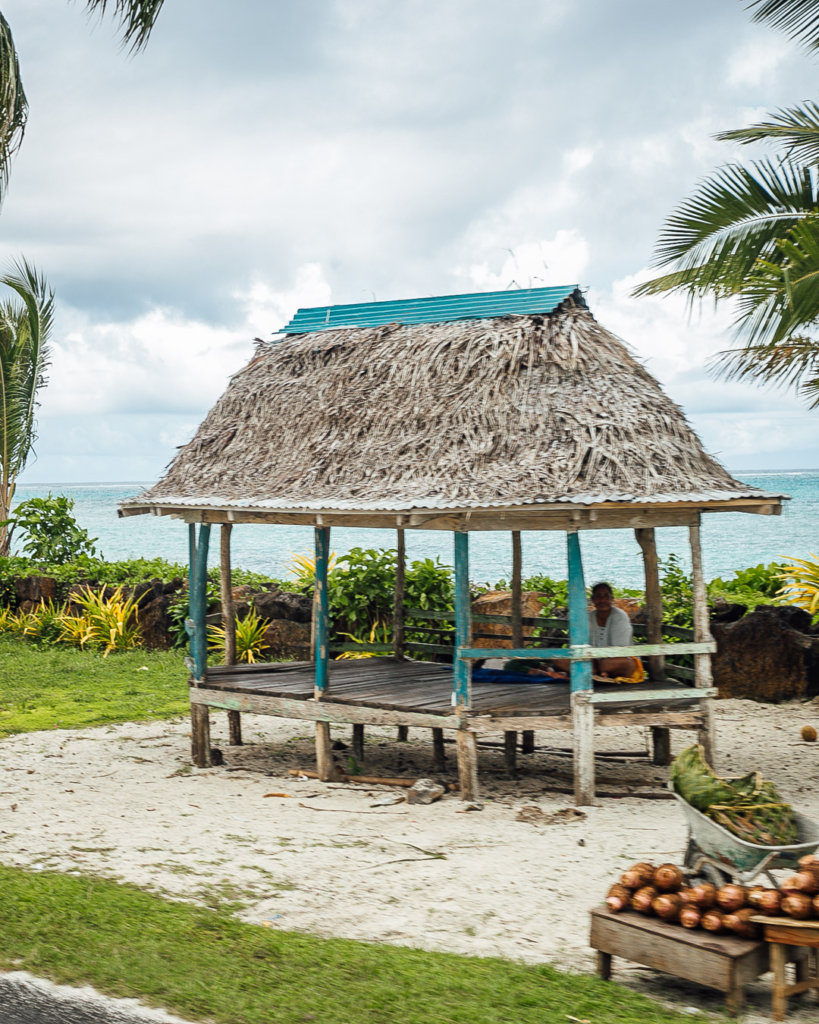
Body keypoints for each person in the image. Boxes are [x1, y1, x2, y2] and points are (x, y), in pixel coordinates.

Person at [514, 581, 643, 682]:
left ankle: (598, 672)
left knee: (614, 664)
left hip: (617, 661)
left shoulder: (620, 616)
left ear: (611, 599)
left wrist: (599, 662)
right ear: (593, 600)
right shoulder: (589, 617)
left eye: (606, 596)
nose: (602, 600)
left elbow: (620, 649)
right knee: (558, 659)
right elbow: (583, 643)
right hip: (593, 661)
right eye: (598, 596)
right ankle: (598, 672)